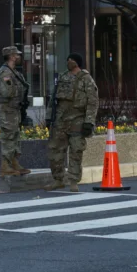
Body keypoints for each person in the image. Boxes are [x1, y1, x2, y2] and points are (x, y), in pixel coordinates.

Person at [44, 53, 99, 192]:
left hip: (77, 119)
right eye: (68, 59)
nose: (69, 62)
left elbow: (93, 102)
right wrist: (49, 117)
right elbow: (53, 99)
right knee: (55, 150)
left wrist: (89, 122)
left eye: (72, 60)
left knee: (76, 151)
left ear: (77, 62)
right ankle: (58, 179)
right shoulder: (62, 77)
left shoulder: (86, 79)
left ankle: (73, 181)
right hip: (60, 120)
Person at [0, 46, 31, 177]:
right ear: (11, 56)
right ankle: (5, 166)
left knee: (15, 137)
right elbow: (6, 92)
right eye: (17, 55)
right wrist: (16, 93)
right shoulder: (5, 73)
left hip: (14, 110)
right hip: (7, 110)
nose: (19, 57)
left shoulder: (14, 72)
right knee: (8, 137)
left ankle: (14, 163)